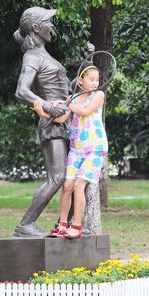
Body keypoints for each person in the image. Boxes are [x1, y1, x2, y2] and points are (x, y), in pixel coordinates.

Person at [13, 6, 92, 237]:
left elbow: (66, 90)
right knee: (57, 177)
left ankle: (65, 225)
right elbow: (22, 91)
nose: (52, 26)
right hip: (52, 125)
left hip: (66, 124)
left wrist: (86, 61)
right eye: (49, 22)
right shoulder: (32, 57)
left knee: (72, 177)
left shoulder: (46, 56)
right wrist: (48, 106)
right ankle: (25, 225)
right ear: (37, 27)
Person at [34, 65, 108, 239]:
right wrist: (42, 112)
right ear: (81, 80)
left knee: (78, 186)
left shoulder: (99, 95)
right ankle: (62, 225)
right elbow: (59, 119)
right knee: (66, 186)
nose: (95, 83)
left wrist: (66, 103)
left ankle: (76, 227)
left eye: (97, 80)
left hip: (94, 149)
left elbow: (84, 112)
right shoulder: (73, 98)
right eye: (91, 79)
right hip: (76, 149)